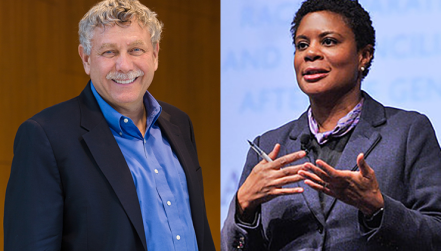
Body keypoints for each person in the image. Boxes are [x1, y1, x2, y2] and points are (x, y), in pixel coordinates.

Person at [221, 0, 441, 250]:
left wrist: (378, 207)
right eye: (301, 45)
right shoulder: (269, 146)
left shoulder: (407, 132)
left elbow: (436, 234)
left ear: (364, 55)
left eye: (328, 41)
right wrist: (243, 207)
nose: (310, 53)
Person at [4, 0, 215, 250]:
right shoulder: (45, 136)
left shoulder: (179, 123)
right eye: (109, 52)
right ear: (85, 58)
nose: (124, 66)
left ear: (155, 55)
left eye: (136, 50)